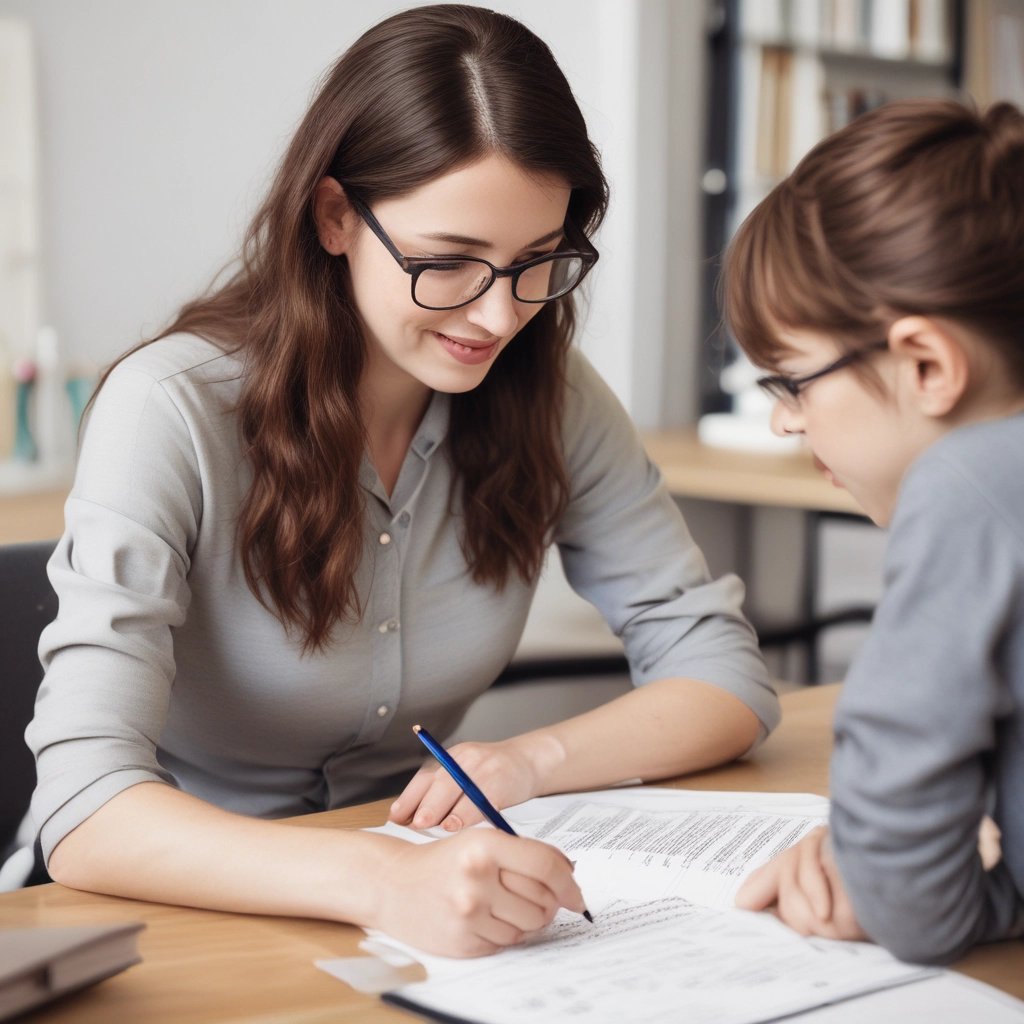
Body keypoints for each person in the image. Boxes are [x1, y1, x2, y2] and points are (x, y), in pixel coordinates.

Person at [27, 4, 778, 958]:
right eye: (448, 263)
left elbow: (723, 676)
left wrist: (524, 761)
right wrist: (380, 879)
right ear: (336, 216)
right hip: (167, 920)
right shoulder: (168, 408)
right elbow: (84, 811)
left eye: (536, 263)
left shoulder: (549, 395)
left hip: (404, 910)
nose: (500, 316)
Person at [724, 98, 1024, 964]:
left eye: (792, 383)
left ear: (927, 363)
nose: (787, 424)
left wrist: (922, 891)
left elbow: (900, 824)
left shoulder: (968, 485)